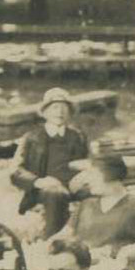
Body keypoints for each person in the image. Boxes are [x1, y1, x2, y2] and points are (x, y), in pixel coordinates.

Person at [12, 88, 88, 239]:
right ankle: (52, 243)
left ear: (70, 112)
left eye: (64, 108)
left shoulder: (78, 136)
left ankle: (93, 244)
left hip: (74, 188)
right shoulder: (32, 138)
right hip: (44, 190)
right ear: (45, 112)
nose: (59, 112)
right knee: (56, 194)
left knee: (97, 194)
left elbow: (87, 163)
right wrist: (38, 181)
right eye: (54, 107)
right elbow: (15, 170)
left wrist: (84, 176)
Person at [66, 153, 135, 265]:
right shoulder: (85, 205)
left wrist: (130, 251)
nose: (87, 181)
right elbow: (64, 235)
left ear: (112, 174)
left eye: (92, 175)